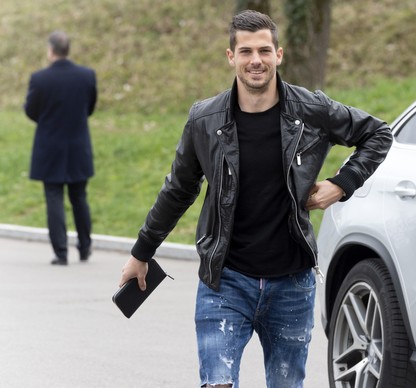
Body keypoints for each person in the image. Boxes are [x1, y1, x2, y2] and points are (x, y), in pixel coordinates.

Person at [119, 10, 392, 388]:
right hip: (225, 281)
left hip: (291, 284)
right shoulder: (204, 120)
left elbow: (378, 133)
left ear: (279, 54)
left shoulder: (310, 110)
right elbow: (179, 189)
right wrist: (141, 253)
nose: (256, 61)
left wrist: (342, 183)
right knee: (216, 383)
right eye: (245, 51)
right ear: (231, 57)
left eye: (264, 50)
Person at [24, 31, 97, 265]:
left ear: (51, 50)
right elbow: (90, 107)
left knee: (54, 198)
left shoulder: (40, 79)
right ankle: (85, 248)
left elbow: (31, 110)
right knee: (79, 197)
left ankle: (61, 252)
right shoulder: (87, 76)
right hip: (78, 146)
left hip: (49, 147)